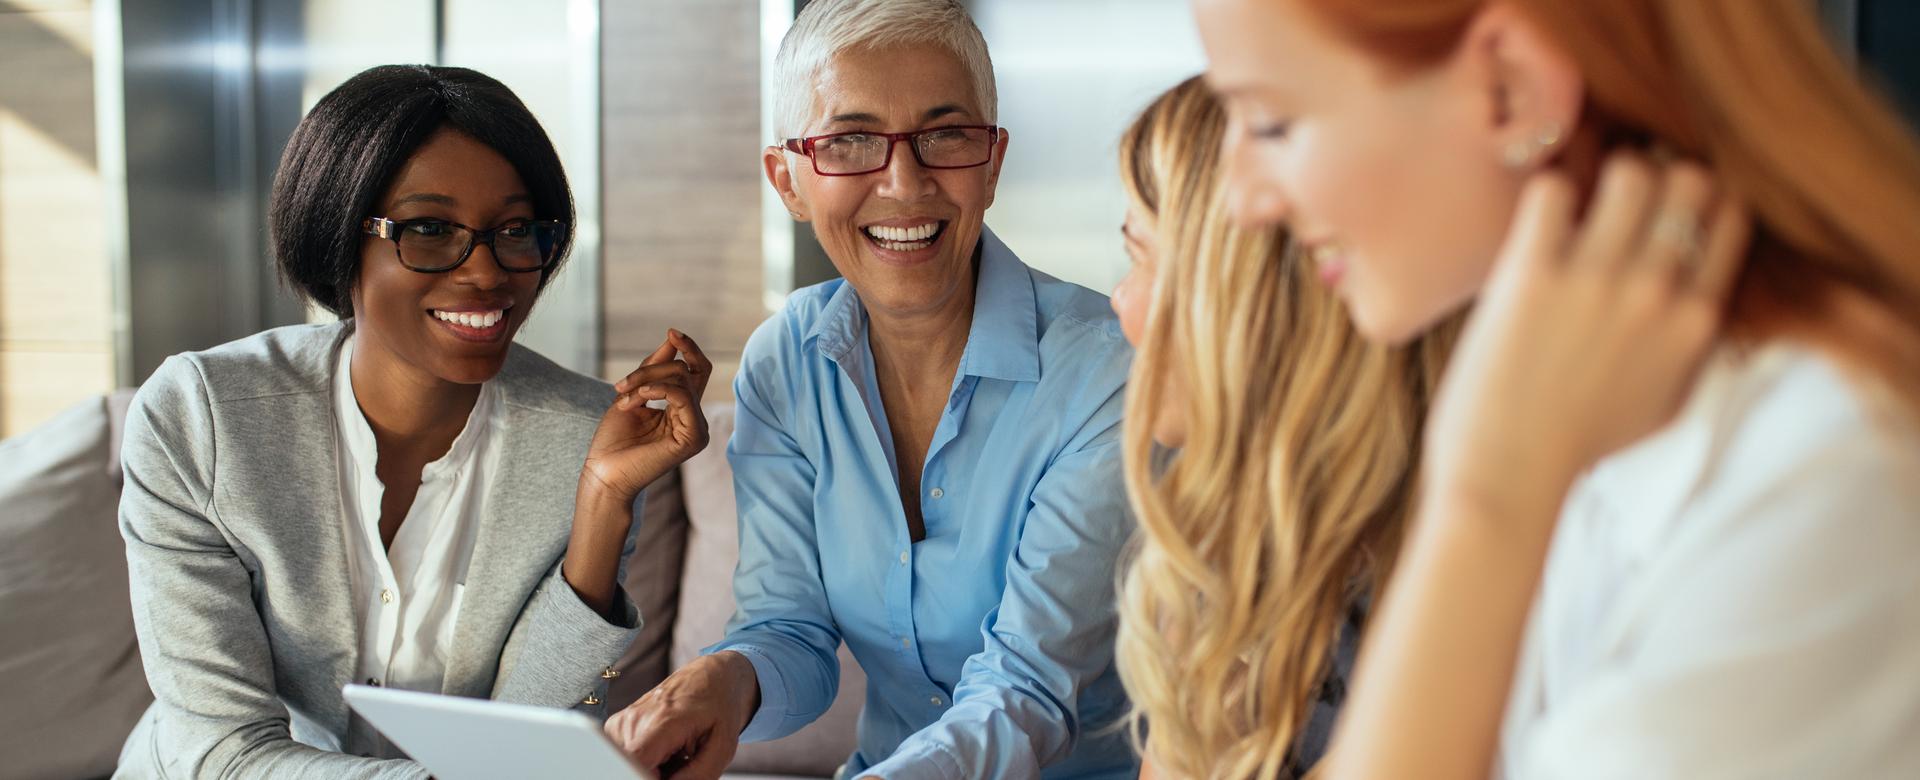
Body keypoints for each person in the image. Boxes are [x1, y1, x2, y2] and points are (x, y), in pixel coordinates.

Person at [1190, 0, 1920, 777]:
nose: (1241, 199)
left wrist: (1486, 502)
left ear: (1511, 87)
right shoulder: (1593, 402)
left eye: (1270, 123)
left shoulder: (1828, 481)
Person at [115, 64, 710, 778]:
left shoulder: (586, 432)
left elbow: (527, 736)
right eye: (429, 229)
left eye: (515, 230)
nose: (488, 272)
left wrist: (605, 501)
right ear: (337, 234)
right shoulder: (202, 419)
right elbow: (219, 752)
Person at [601, 1, 1138, 778]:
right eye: (850, 141)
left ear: (991, 163)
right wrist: (724, 681)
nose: (903, 181)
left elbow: (1027, 689)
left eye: (945, 136)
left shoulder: (1102, 372)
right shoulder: (785, 360)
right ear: (788, 181)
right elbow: (788, 628)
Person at [1107, 77, 1458, 780]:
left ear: (1243, 303)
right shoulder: (1228, 546)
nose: (1118, 298)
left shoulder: (1447, 586)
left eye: (1141, 256)